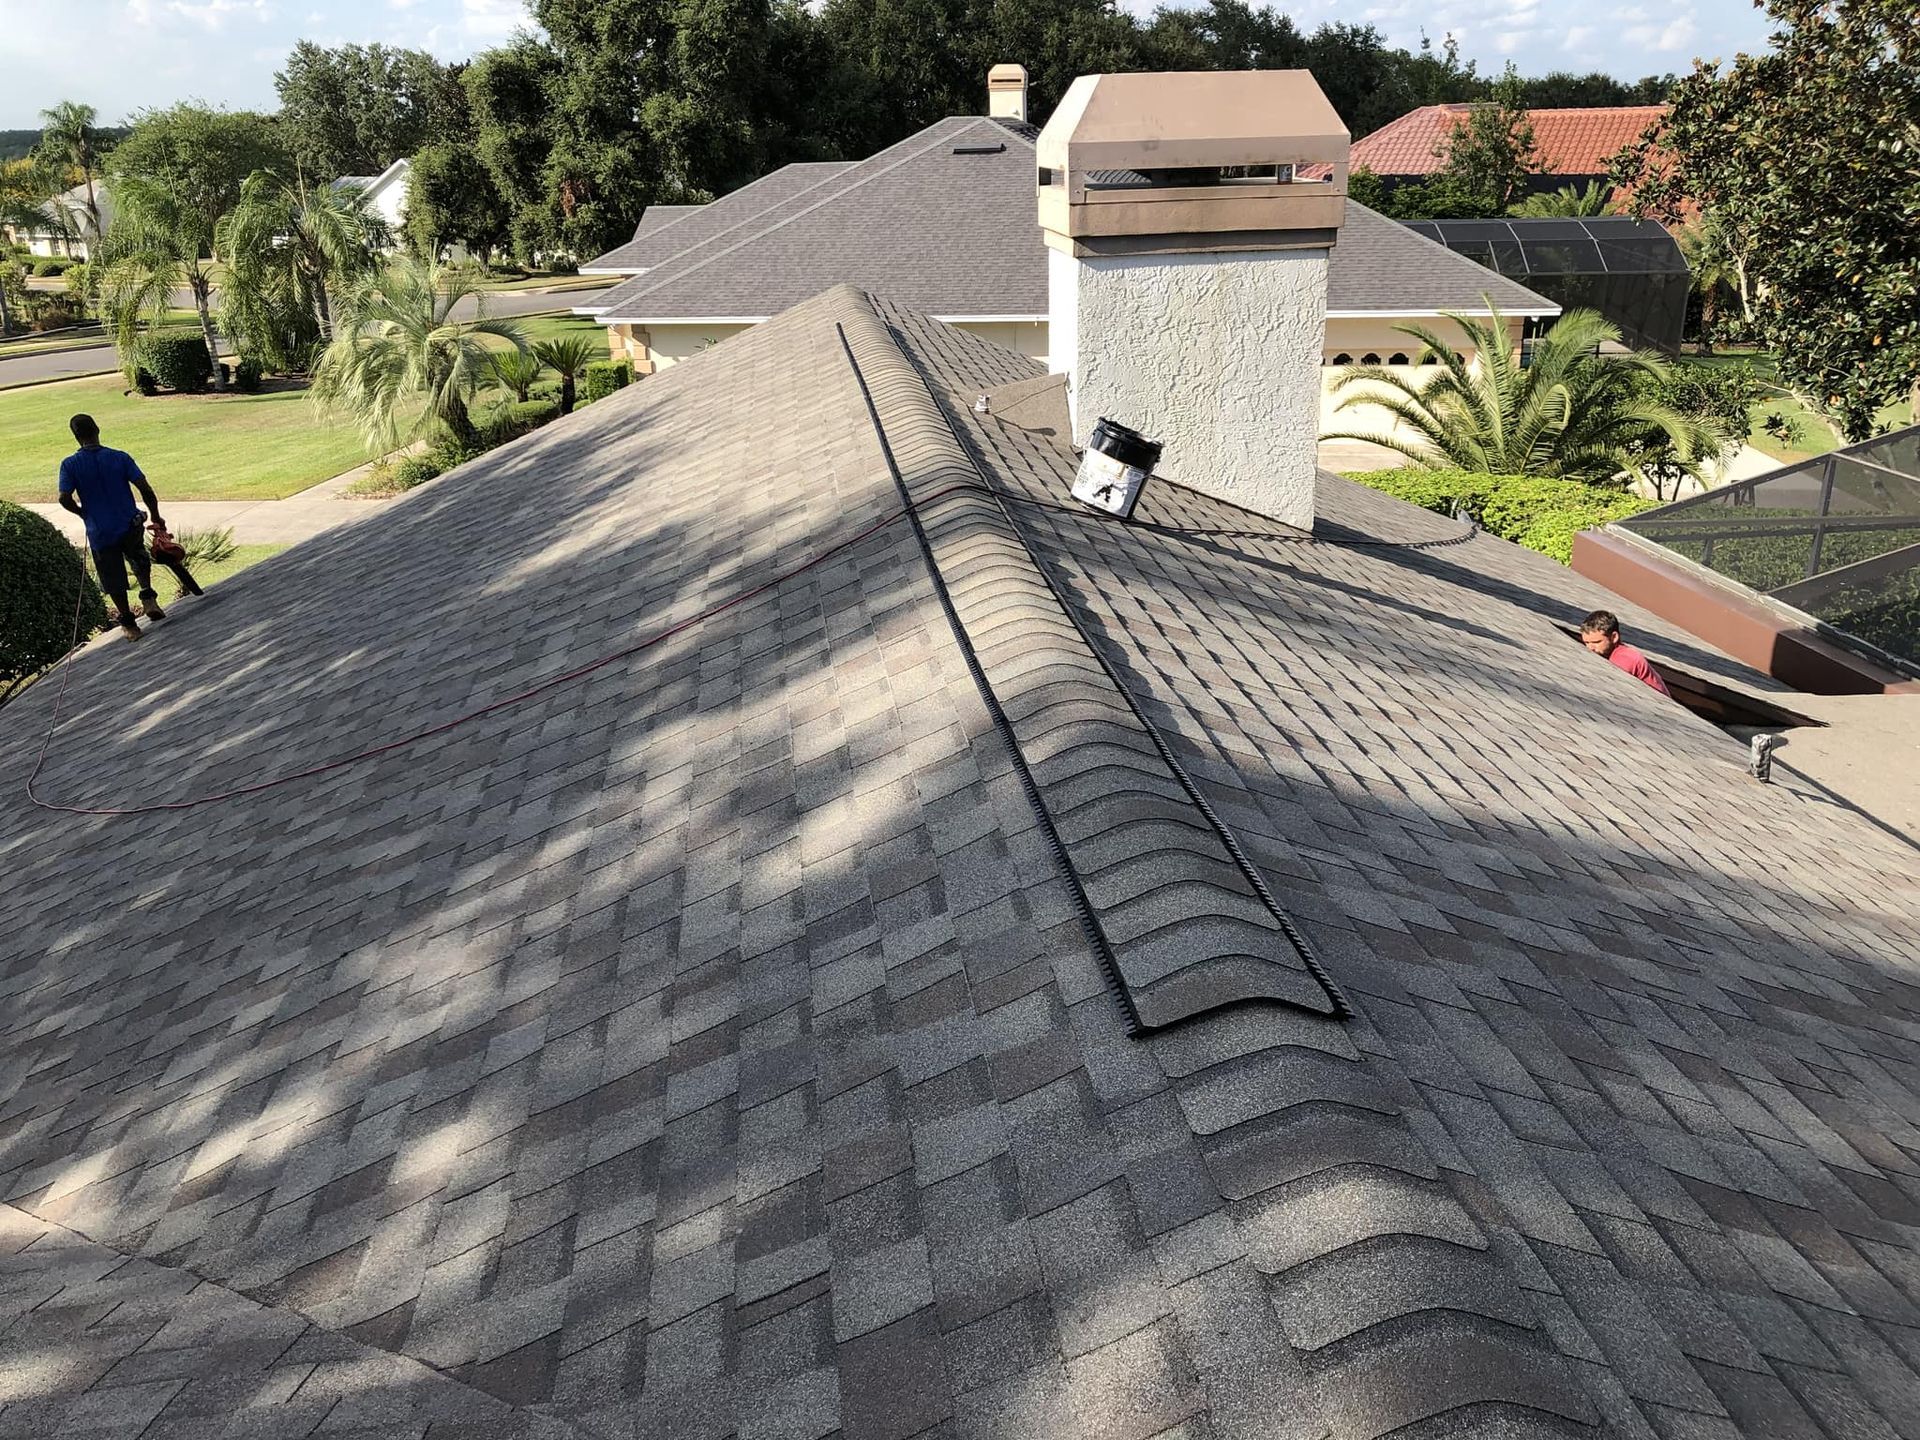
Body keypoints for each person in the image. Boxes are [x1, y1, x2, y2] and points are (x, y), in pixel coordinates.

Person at [56, 413, 198, 641]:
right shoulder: (119, 457)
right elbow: (145, 488)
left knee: (112, 577)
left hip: (100, 530)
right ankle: (148, 597)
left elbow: (64, 498)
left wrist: (83, 513)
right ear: (97, 429)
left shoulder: (70, 465)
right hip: (128, 523)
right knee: (139, 558)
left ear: (76, 436)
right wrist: (156, 516)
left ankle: (130, 624)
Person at [1579, 609, 1671, 698]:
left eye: (1596, 642)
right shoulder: (1611, 654)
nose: (1590, 648)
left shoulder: (1624, 659)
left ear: (1614, 637)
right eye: (1586, 642)